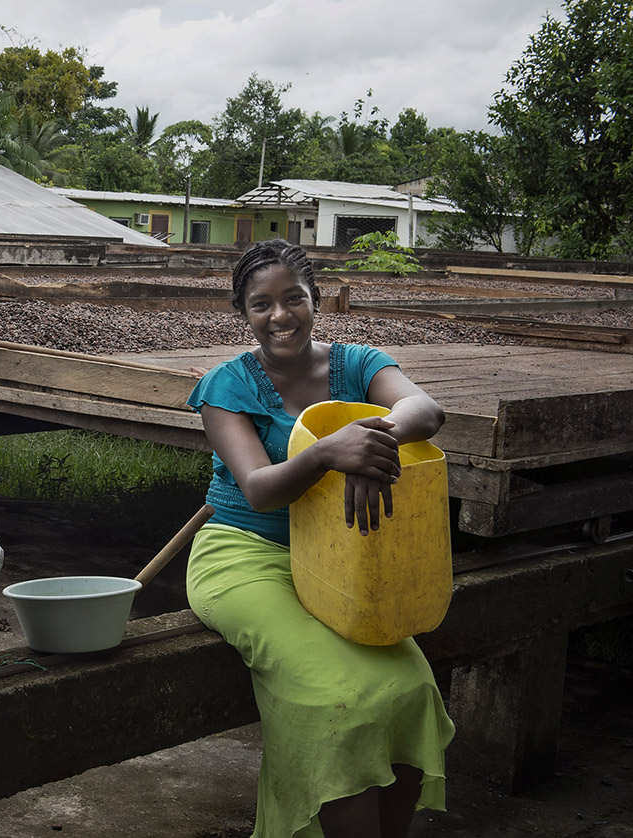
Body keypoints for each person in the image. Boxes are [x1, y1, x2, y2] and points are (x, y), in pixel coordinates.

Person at [185, 239, 455, 838]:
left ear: (315, 301)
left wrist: (371, 439)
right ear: (242, 312)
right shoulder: (226, 387)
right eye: (261, 305)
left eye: (294, 299)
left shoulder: (357, 365)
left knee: (410, 688)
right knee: (335, 700)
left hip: (344, 557)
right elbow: (258, 488)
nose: (280, 316)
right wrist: (330, 452)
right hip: (245, 558)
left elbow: (425, 410)